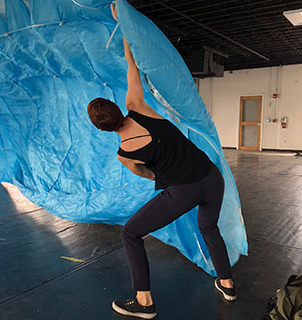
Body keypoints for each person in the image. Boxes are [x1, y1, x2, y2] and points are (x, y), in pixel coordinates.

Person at [86, 4, 236, 319]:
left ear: (100, 128)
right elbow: (132, 65)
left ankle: (144, 302)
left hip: (184, 190)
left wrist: (160, 172)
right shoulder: (138, 106)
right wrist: (123, 23)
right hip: (212, 176)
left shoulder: (124, 152)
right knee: (209, 228)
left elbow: (144, 173)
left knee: (130, 233)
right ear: (117, 107)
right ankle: (227, 284)